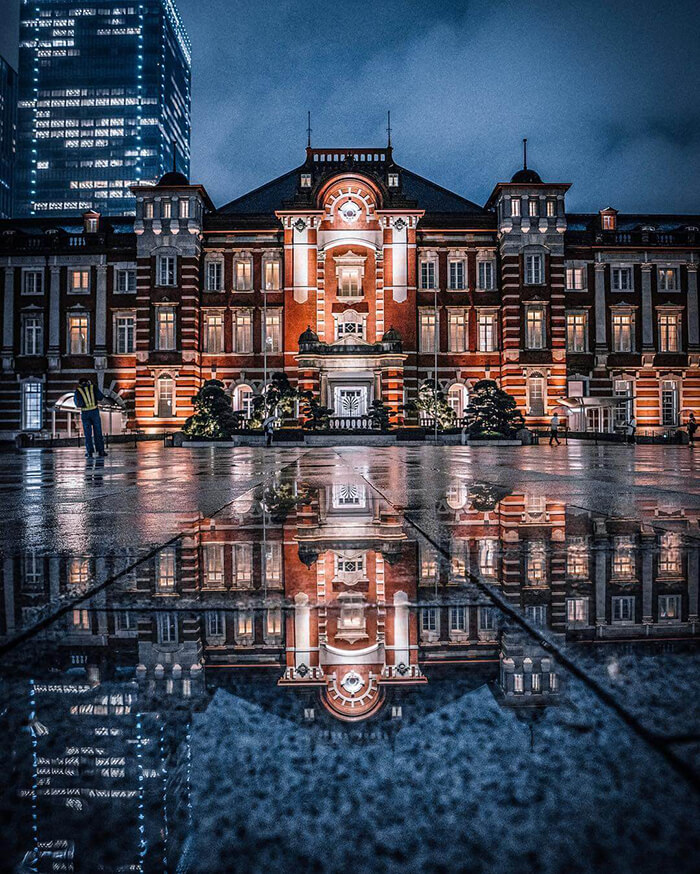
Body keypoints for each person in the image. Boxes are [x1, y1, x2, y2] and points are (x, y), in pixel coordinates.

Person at [74, 377, 107, 458]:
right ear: (88, 382)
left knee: (87, 434)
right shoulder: (93, 387)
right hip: (94, 412)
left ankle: (89, 452)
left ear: (80, 384)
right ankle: (101, 451)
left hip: (85, 413)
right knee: (98, 432)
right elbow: (100, 397)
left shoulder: (78, 391)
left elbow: (77, 403)